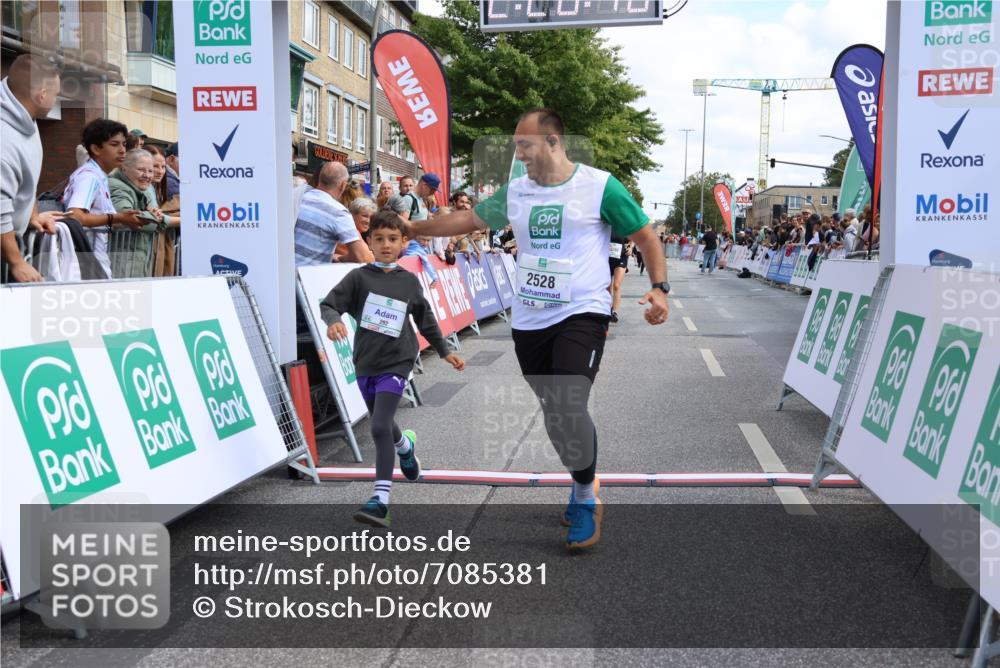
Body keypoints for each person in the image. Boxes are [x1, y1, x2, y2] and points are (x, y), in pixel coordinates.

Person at [402, 108, 669, 550]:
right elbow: (468, 222)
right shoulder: (517, 191)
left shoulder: (599, 186)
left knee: (568, 401)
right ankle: (583, 476)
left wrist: (659, 287)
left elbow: (645, 236)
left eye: (524, 144)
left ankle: (586, 495)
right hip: (530, 318)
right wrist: (414, 226)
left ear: (553, 142)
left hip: (582, 311)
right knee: (554, 412)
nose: (518, 152)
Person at [321, 211, 465, 526]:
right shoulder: (358, 278)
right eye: (379, 239)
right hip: (366, 362)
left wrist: (444, 350)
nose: (386, 245)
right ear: (368, 241)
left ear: (403, 243)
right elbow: (329, 304)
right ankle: (405, 446)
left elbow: (425, 320)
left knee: (377, 427)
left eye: (393, 239)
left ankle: (380, 500)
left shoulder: (409, 281)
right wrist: (333, 322)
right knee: (383, 424)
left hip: (397, 362)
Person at [1, 54, 62, 283]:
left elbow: (25, 178)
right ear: (42, 95)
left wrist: (31, 214)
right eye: (55, 95)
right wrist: (16, 262)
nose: (56, 101)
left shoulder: (26, 115)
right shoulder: (4, 140)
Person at [63, 119, 145, 278]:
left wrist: (131, 219)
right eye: (114, 144)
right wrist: (117, 217)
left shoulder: (99, 176)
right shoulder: (89, 177)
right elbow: (75, 216)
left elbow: (100, 217)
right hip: (85, 266)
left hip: (92, 262)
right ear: (95, 148)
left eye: (124, 144)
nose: (122, 150)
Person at [294, 161, 370, 266]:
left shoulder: (299, 198)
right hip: (308, 279)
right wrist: (340, 258)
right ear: (343, 185)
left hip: (283, 275)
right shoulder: (339, 213)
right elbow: (361, 257)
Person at [109, 148, 165, 277]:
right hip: (122, 259)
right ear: (124, 169)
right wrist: (156, 217)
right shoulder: (117, 186)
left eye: (150, 171)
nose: (147, 175)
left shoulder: (140, 187)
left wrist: (151, 213)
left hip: (135, 258)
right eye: (141, 170)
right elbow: (128, 217)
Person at [334, 197, 376, 263]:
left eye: (371, 217)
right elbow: (368, 259)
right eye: (365, 216)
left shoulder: (360, 233)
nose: (368, 221)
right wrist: (340, 258)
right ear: (352, 215)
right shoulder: (349, 232)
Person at [608, 233, 628, 322]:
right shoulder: (606, 225)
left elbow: (634, 237)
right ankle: (607, 310)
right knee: (608, 287)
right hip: (607, 259)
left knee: (616, 285)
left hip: (621, 258)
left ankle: (615, 312)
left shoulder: (623, 225)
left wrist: (631, 247)